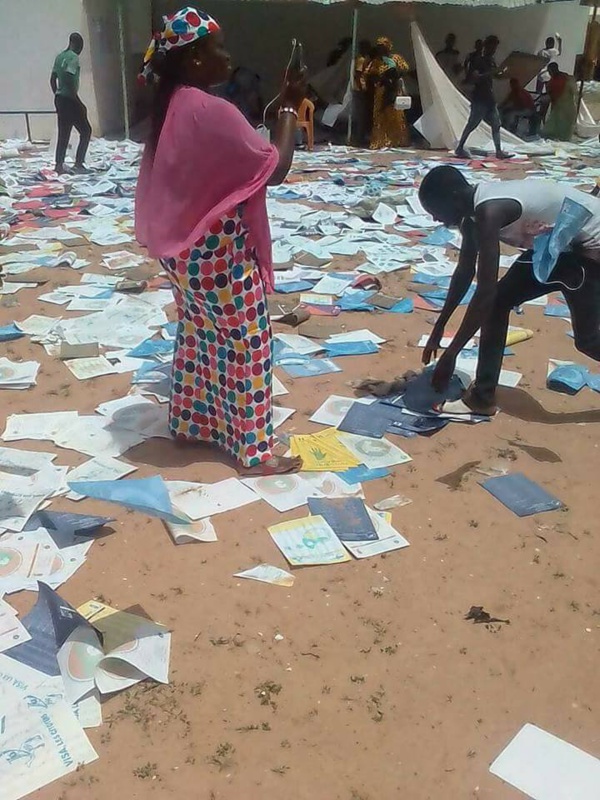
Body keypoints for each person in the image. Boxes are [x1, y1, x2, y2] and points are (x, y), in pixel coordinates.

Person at [135, 7, 305, 475]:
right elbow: (274, 166)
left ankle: (194, 424)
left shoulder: (173, 105)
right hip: (218, 254)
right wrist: (289, 108)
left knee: (200, 335)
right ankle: (254, 451)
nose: (227, 56)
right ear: (192, 59)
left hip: (184, 251)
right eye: (216, 47)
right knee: (250, 343)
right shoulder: (211, 110)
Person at [418, 166, 600, 415]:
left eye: (434, 210)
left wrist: (451, 354)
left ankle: (482, 396)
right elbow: (464, 272)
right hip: (560, 245)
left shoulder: (490, 211)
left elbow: (485, 291)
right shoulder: (471, 216)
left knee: (588, 339)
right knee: (497, 303)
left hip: (590, 247)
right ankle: (482, 398)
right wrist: (438, 329)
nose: (435, 219)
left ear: (453, 197)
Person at [455, 35, 510, 160]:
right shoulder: (479, 60)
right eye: (493, 46)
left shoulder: (491, 61)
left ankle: (498, 151)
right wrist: (494, 72)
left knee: (496, 124)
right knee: (472, 124)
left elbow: (495, 76)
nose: (494, 49)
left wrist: (504, 73)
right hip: (480, 97)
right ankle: (460, 147)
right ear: (487, 46)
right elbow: (476, 77)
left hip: (489, 98)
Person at [50, 33, 91, 174]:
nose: (81, 50)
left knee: (64, 132)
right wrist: (77, 101)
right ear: (76, 44)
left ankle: (59, 165)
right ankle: (78, 163)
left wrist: (57, 93)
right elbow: (69, 78)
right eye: (80, 46)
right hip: (70, 99)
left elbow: (52, 79)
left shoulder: (59, 57)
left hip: (60, 98)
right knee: (86, 130)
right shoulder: (73, 58)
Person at [366, 37, 410, 149]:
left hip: (395, 89)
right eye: (379, 48)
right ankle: (380, 141)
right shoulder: (376, 61)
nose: (381, 50)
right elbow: (370, 75)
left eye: (383, 47)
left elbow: (405, 70)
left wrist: (394, 73)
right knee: (380, 115)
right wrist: (381, 78)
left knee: (396, 115)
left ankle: (398, 140)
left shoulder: (396, 58)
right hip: (382, 90)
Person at [542, 62, 577, 141]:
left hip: (566, 107)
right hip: (558, 107)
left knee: (564, 127)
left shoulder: (566, 79)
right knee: (553, 127)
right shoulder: (554, 80)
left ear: (553, 70)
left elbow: (574, 91)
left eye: (550, 71)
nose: (549, 73)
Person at [352, 39, 372, 147]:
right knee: (361, 115)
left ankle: (361, 136)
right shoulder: (361, 60)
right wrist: (362, 88)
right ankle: (359, 138)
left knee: (363, 115)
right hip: (360, 90)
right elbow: (358, 75)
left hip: (361, 89)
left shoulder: (363, 59)